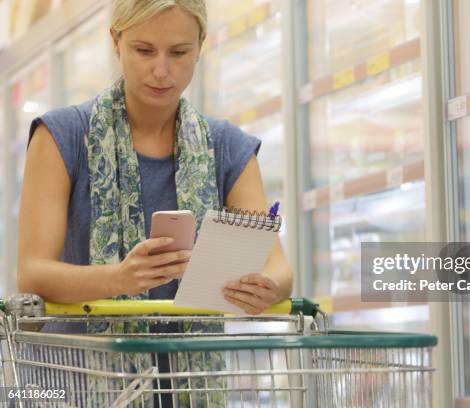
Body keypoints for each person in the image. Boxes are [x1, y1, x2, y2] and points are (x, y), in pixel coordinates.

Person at [17, 0, 293, 316]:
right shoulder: (61, 136)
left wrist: (263, 286)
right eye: (144, 51)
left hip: (192, 365)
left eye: (178, 53)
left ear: (200, 45)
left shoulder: (228, 147)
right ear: (116, 42)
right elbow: (32, 272)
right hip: (80, 361)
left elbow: (279, 269)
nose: (161, 71)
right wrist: (118, 279)